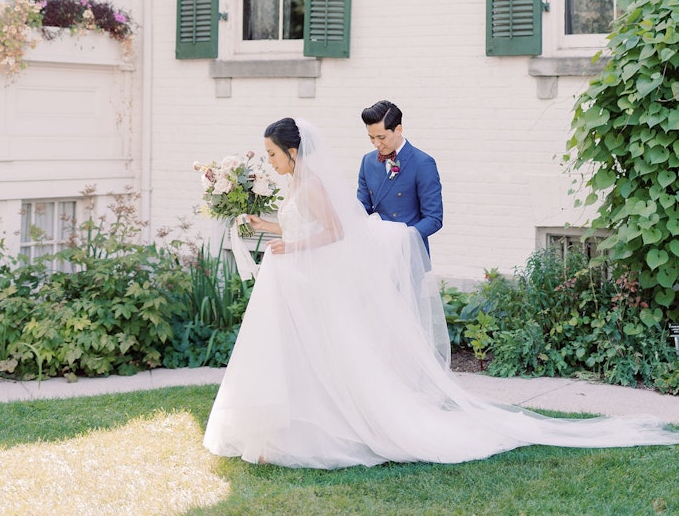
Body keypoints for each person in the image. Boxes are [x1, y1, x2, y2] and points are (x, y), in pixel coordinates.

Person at [203, 117, 679, 470]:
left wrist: (290, 245)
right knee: (301, 357)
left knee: (320, 357)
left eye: (271, 153)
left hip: (326, 272)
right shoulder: (307, 182)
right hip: (301, 281)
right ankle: (281, 430)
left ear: (292, 150)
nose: (268, 161)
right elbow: (308, 224)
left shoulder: (319, 185)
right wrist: (263, 224)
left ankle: (317, 428)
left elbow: (332, 232)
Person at [357, 100, 443, 253]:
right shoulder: (367, 161)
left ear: (398, 129)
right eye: (371, 137)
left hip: (408, 252)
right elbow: (362, 209)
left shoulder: (423, 163)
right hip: (375, 252)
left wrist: (403, 237)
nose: (376, 144)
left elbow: (434, 218)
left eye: (381, 137)